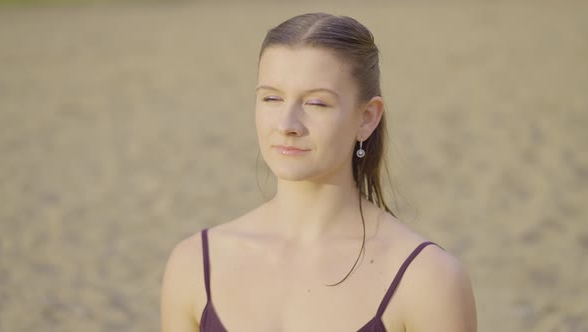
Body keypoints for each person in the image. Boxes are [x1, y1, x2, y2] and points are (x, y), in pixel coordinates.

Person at [161, 12, 477, 332]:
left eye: (316, 103)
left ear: (367, 118)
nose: (287, 125)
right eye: (271, 98)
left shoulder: (428, 279)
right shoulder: (193, 265)